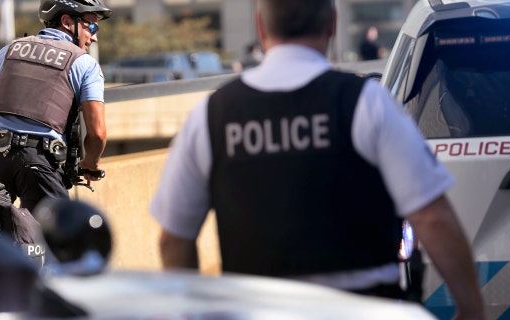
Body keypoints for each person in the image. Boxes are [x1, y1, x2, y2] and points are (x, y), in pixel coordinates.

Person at [149, 0, 484, 319]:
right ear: (332, 24)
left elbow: (174, 238)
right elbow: (432, 217)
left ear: (260, 27)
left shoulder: (212, 116)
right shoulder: (367, 103)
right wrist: (471, 309)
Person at [0, 0, 111, 213]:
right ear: (66, 21)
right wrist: (90, 164)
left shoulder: (11, 49)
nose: (94, 37)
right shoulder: (85, 63)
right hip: (40, 161)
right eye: (90, 26)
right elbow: (97, 134)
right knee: (57, 238)